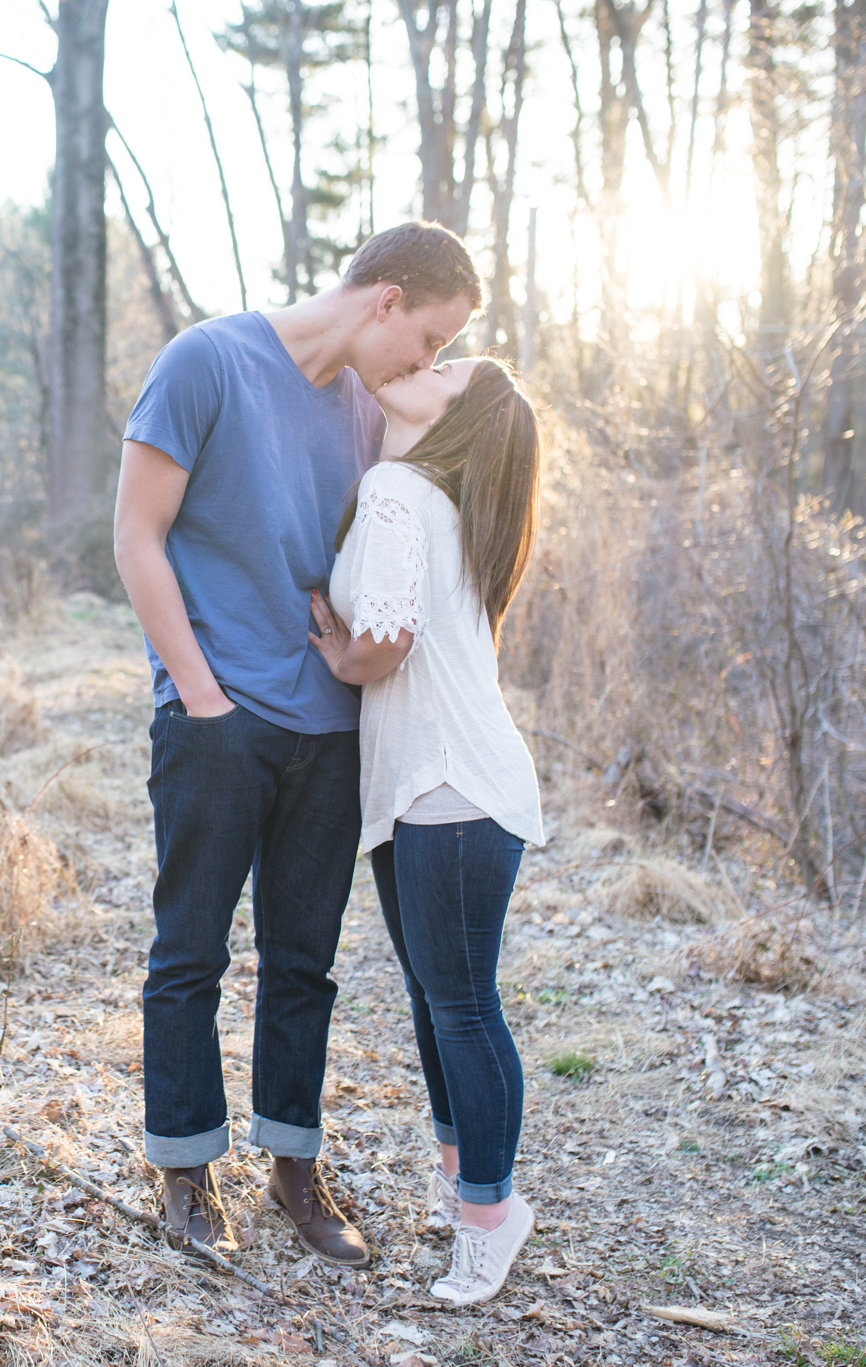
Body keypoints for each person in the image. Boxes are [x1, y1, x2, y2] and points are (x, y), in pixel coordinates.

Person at [113, 222, 481, 1265]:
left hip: (329, 727)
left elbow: (459, 439)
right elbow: (135, 533)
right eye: (425, 337)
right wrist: (197, 692)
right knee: (188, 951)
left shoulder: (371, 408)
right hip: (216, 713)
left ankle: (291, 1164)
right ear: (384, 298)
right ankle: (185, 1173)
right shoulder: (206, 361)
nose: (423, 363)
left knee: (303, 962)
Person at [305, 356, 545, 1306]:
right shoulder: (438, 503)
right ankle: (467, 1186)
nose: (425, 366)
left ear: (459, 419)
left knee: (461, 1005)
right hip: (431, 790)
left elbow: (387, 642)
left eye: (448, 369)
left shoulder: (400, 487)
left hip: (448, 789)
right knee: (436, 996)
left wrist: (337, 650)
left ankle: (491, 1217)